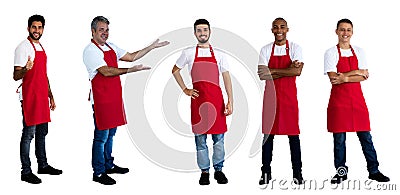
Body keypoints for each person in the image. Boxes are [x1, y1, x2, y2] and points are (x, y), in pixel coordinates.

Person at [83, 16, 169, 185]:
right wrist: (131, 71)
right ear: (93, 31)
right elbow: (106, 71)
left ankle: (108, 165)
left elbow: (131, 56)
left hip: (114, 97)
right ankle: (98, 173)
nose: (105, 33)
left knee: (111, 135)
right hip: (101, 99)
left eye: (107, 29)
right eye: (101, 30)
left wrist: (151, 47)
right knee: (101, 137)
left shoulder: (111, 46)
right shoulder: (90, 51)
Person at [324, 18, 390, 184]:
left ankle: (374, 171)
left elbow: (365, 75)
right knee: (339, 140)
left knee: (366, 137)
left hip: (358, 101)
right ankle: (341, 172)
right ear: (336, 31)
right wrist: (356, 73)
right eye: (342, 29)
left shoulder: (359, 51)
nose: (345, 33)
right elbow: (333, 78)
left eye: (348, 30)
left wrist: (345, 76)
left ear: (352, 32)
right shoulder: (330, 53)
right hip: (339, 102)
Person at [172, 19, 233, 185]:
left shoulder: (220, 53)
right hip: (198, 103)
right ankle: (205, 172)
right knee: (200, 140)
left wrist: (230, 101)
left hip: (216, 102)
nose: (202, 33)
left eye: (205, 30)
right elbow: (175, 70)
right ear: (195, 33)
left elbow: (226, 77)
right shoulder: (189, 52)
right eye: (199, 30)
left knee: (219, 140)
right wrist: (185, 89)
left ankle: (218, 170)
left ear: (210, 31)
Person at [13, 14, 63, 184]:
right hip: (30, 96)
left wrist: (51, 95)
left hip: (42, 95)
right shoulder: (23, 48)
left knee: (42, 133)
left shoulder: (40, 46)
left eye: (40, 27)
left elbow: (43, 74)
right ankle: (25, 171)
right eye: (34, 27)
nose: (37, 30)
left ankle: (43, 165)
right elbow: (15, 75)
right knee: (28, 134)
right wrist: (26, 69)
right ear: (28, 28)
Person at [257, 17, 304, 185]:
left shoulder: (296, 48)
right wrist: (287, 69)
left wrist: (273, 71)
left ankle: (297, 172)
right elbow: (262, 75)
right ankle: (265, 172)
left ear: (287, 29)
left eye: (282, 27)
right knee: (268, 136)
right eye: (275, 27)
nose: (279, 30)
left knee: (293, 136)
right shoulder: (265, 49)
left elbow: (297, 72)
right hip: (270, 99)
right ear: (272, 30)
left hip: (289, 99)